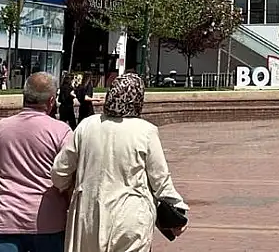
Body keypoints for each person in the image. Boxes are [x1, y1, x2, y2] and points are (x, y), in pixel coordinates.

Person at [52, 73, 188, 251]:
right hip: (131, 217)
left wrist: (68, 189)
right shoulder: (145, 131)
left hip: (89, 215)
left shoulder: (86, 126)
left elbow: (59, 172)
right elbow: (160, 179)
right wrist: (178, 211)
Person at [0, 72, 73, 252]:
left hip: (5, 218)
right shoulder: (61, 131)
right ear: (51, 100)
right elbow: (69, 176)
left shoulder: (1, 127)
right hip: (47, 221)